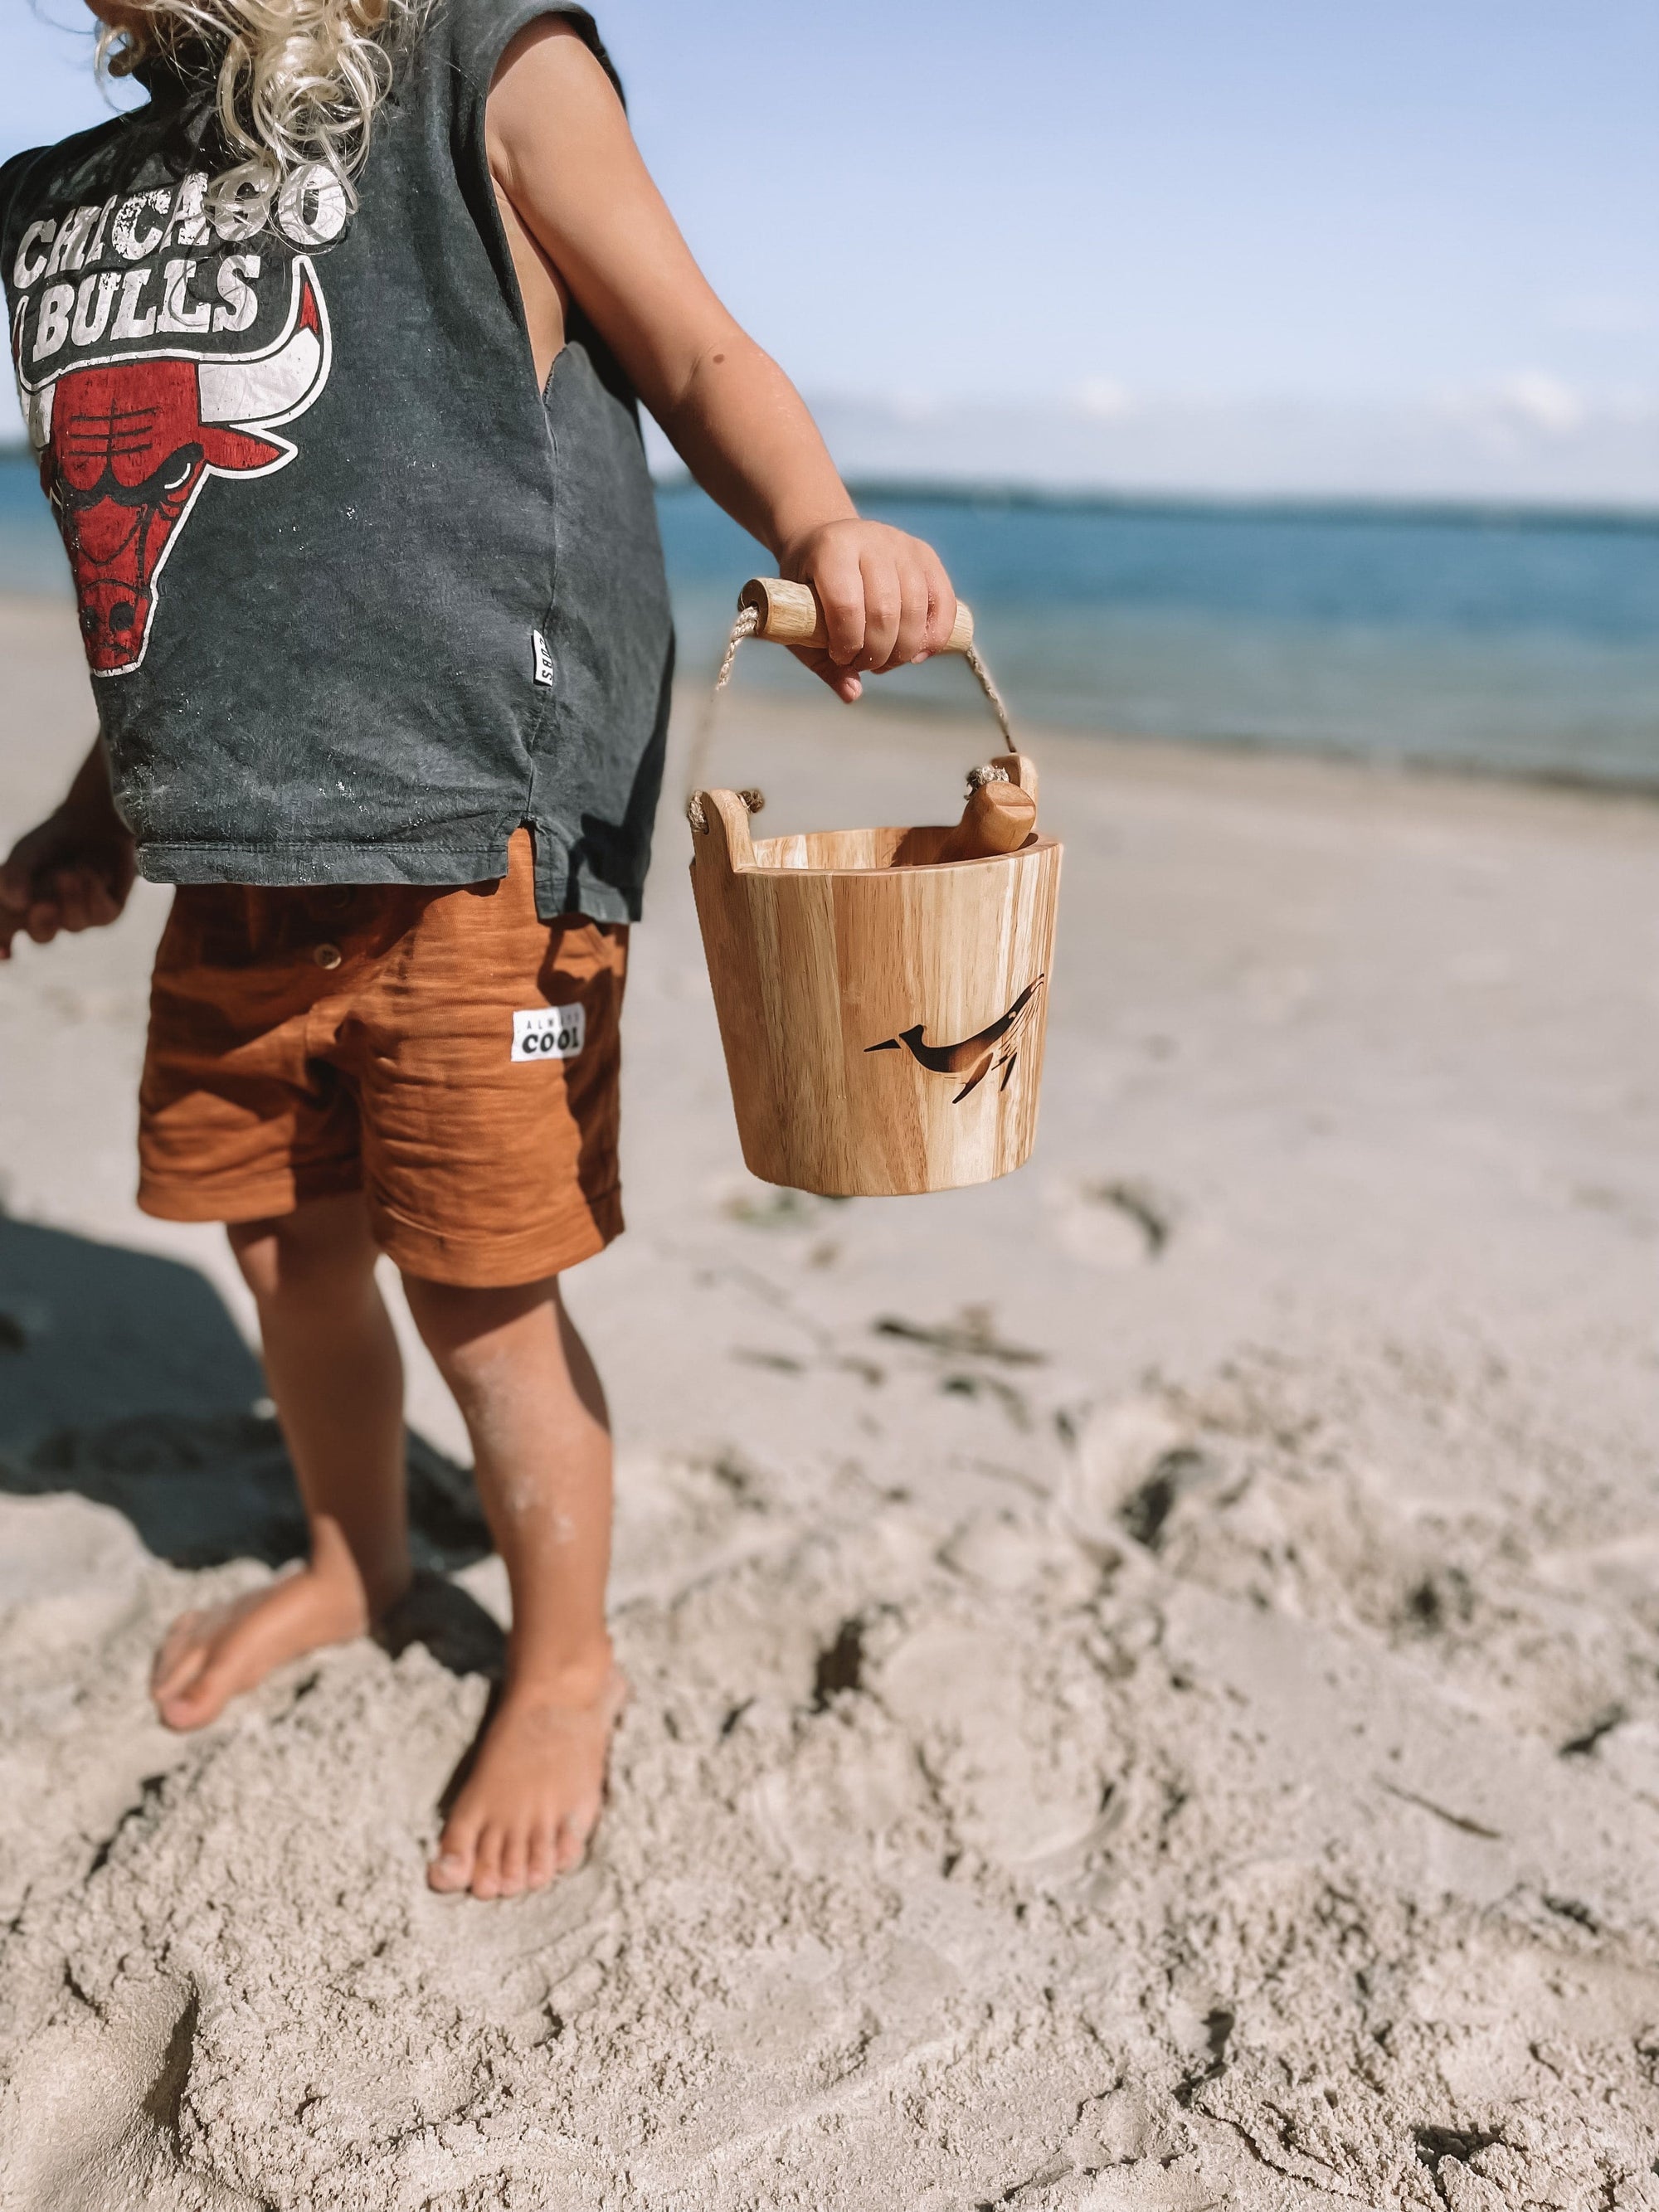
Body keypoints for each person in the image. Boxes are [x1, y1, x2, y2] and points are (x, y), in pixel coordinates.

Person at [0, 0, 959, 1901]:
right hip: (240, 853)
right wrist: (95, 813)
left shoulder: (481, 66)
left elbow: (690, 344)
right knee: (286, 1245)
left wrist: (825, 521)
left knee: (477, 1282)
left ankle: (568, 1654)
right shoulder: (78, 200)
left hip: (477, 832)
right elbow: (191, 573)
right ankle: (360, 1552)